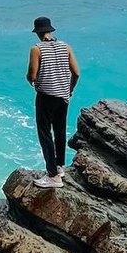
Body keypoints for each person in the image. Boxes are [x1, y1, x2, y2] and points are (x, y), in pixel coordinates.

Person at [26, 16, 80, 188]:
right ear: (50, 30)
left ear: (38, 33)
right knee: (60, 131)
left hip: (46, 97)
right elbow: (76, 73)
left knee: (45, 134)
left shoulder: (37, 49)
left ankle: (53, 176)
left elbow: (32, 74)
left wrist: (30, 80)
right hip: (63, 97)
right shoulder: (66, 47)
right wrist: (69, 89)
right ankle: (60, 167)